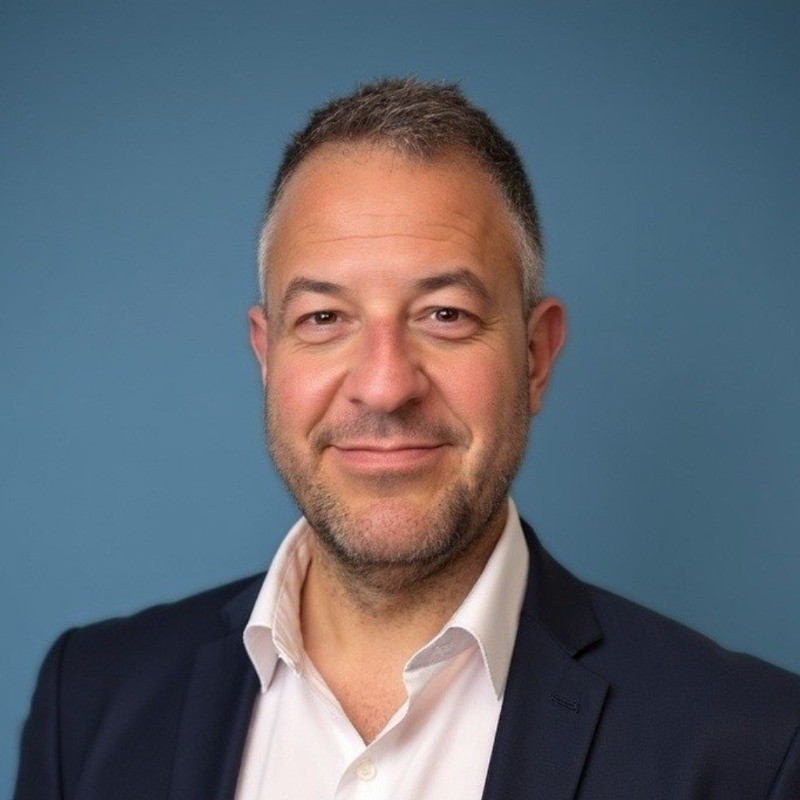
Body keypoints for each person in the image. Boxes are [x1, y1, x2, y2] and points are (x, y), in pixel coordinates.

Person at [14, 77, 800, 800]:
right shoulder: (85, 704)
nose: (385, 386)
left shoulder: (753, 749)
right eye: (324, 318)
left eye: (445, 315)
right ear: (267, 355)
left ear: (535, 356)